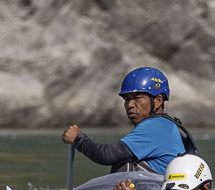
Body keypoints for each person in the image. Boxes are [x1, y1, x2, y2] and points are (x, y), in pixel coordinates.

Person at [61, 66, 199, 176]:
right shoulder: (166, 124)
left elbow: (107, 155)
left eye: (137, 98)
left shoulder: (155, 126)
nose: (130, 105)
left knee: (123, 160)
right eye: (127, 99)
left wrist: (79, 139)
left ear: (158, 101)